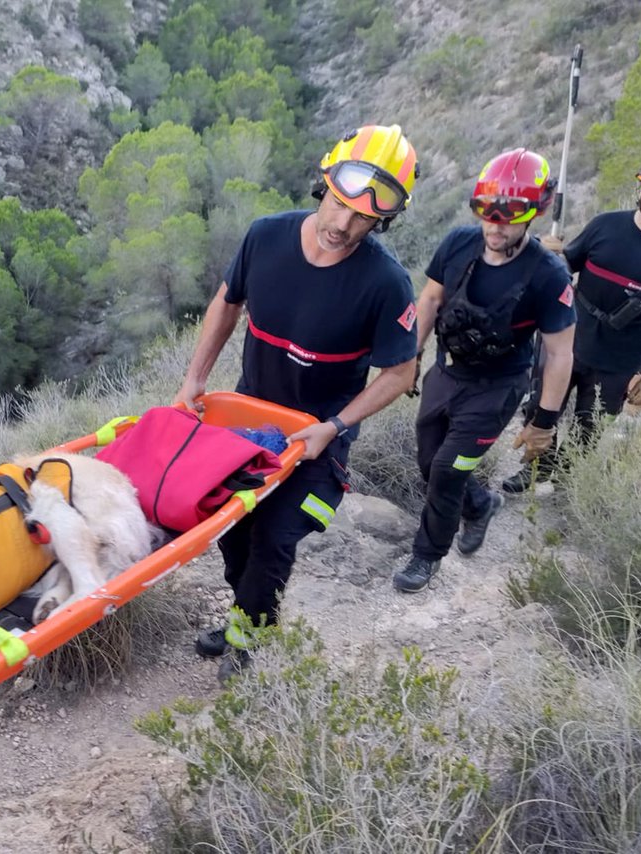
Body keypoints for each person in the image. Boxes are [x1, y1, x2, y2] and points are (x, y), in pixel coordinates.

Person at [174, 124, 419, 679]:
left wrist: (335, 426)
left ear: (383, 219)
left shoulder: (385, 283)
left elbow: (401, 372)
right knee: (231, 529)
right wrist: (195, 379)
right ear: (323, 186)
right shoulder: (266, 237)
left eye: (363, 218)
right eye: (337, 204)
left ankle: (249, 638)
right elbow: (226, 303)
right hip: (246, 427)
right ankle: (249, 614)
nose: (342, 225)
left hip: (315, 440)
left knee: (273, 537)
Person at [392, 148, 575, 593]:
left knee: (449, 469)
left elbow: (559, 353)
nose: (495, 225)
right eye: (486, 213)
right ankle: (480, 505)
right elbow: (431, 300)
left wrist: (544, 423)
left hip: (498, 386)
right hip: (448, 371)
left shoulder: (548, 275)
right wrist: (411, 357)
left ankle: (426, 556)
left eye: (509, 215)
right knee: (429, 460)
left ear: (536, 211)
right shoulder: (457, 243)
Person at [501, 141, 641, 494]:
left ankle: (562, 479)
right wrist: (552, 256)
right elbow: (566, 266)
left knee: (589, 427)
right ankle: (535, 467)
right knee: (539, 409)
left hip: (620, 358)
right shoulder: (606, 225)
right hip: (568, 340)